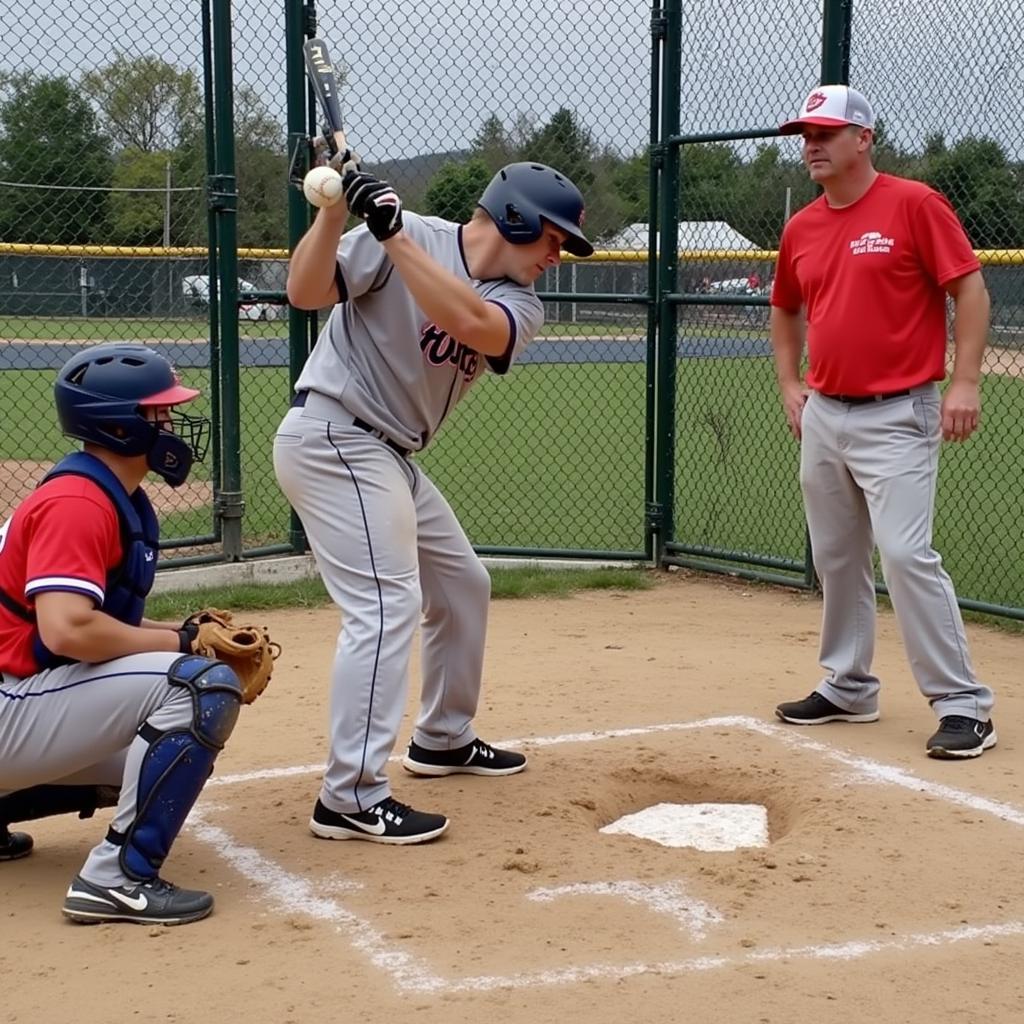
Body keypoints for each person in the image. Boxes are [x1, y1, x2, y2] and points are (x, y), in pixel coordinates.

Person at [275, 161, 592, 843]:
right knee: (387, 605)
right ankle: (350, 795)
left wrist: (392, 236)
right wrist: (336, 213)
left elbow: (474, 322)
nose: (556, 257)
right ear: (515, 218)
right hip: (335, 434)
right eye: (552, 239)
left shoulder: (516, 302)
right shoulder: (410, 233)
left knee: (461, 585)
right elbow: (304, 292)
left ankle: (443, 737)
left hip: (388, 455)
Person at [768, 84, 995, 759]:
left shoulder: (914, 204)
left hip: (899, 412)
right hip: (825, 412)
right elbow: (785, 309)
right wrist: (788, 383)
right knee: (835, 556)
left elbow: (970, 287)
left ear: (863, 139)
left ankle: (963, 704)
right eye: (805, 134)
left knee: (903, 554)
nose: (811, 144)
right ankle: (848, 684)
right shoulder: (802, 226)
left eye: (825, 133)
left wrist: (966, 379)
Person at [0, 343, 243, 923]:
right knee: (198, 689)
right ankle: (117, 878)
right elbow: (66, 631)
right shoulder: (79, 502)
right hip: (9, 707)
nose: (172, 424)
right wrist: (185, 646)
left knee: (158, 741)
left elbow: (100, 627)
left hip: (13, 700)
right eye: (159, 413)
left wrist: (185, 630)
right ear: (119, 424)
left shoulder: (101, 490)